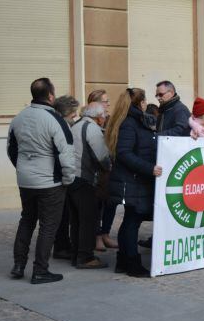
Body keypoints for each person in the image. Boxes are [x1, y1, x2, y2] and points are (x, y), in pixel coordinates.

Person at [7, 78, 75, 284]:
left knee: (26, 220)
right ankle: (40, 271)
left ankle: (18, 266)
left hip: (25, 180)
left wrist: (22, 169)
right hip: (50, 183)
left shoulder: (18, 118)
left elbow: (11, 149)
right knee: (48, 226)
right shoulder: (55, 119)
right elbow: (67, 153)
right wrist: (67, 179)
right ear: (51, 96)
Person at [106, 87, 162, 277]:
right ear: (141, 102)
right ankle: (131, 263)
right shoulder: (130, 123)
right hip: (132, 181)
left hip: (135, 180)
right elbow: (124, 154)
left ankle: (124, 261)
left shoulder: (134, 120)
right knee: (132, 221)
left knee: (131, 220)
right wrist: (149, 168)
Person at [68, 102, 111, 269]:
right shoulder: (91, 128)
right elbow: (101, 156)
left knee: (77, 219)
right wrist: (109, 168)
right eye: (104, 115)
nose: (105, 117)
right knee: (88, 219)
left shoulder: (77, 125)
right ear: (98, 117)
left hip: (72, 178)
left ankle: (76, 254)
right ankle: (85, 257)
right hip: (84, 179)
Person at [87, 89, 118, 253]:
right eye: (105, 101)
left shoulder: (110, 120)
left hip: (111, 167)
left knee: (110, 203)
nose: (108, 105)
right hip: (97, 169)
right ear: (96, 103)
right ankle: (97, 236)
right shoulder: (91, 121)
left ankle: (106, 232)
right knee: (98, 204)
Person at [52, 95, 81, 260]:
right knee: (61, 216)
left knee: (62, 215)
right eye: (73, 114)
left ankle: (62, 245)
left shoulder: (59, 124)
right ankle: (61, 247)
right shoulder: (61, 128)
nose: (75, 117)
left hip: (57, 176)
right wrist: (69, 178)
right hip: (60, 178)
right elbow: (65, 155)